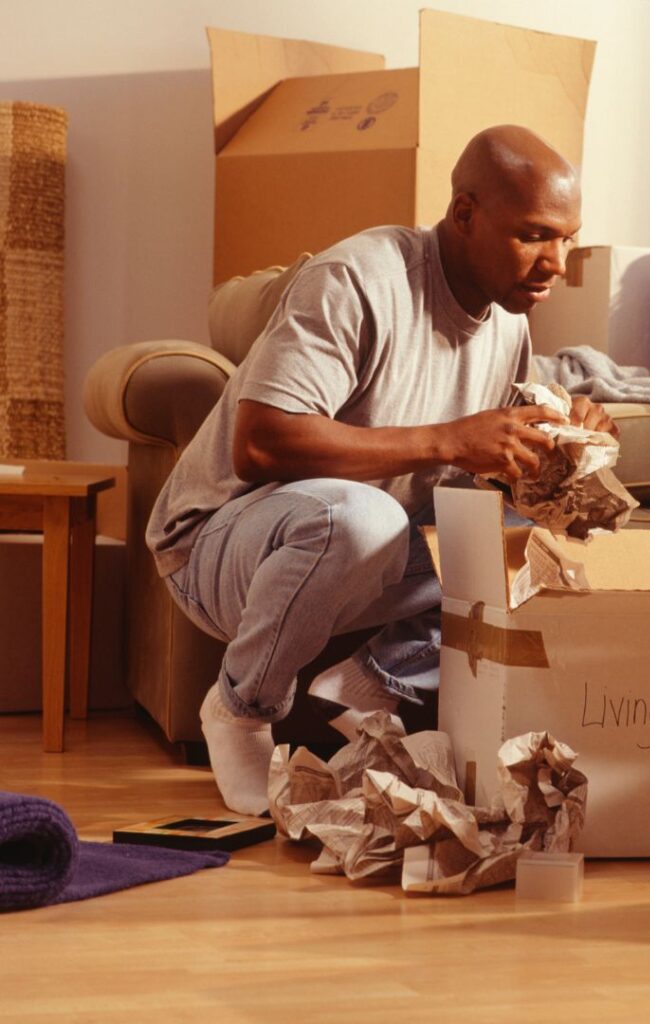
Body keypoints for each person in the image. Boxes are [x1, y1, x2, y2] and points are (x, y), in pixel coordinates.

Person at [146, 125, 615, 815]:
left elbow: (486, 481)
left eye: (567, 239)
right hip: (219, 546)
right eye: (536, 235)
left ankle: (374, 678)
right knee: (358, 516)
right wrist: (451, 441)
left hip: (363, 554)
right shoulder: (358, 278)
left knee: (554, 530)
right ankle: (241, 709)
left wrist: (560, 443)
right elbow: (262, 445)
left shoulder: (509, 319)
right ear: (464, 215)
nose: (557, 262)